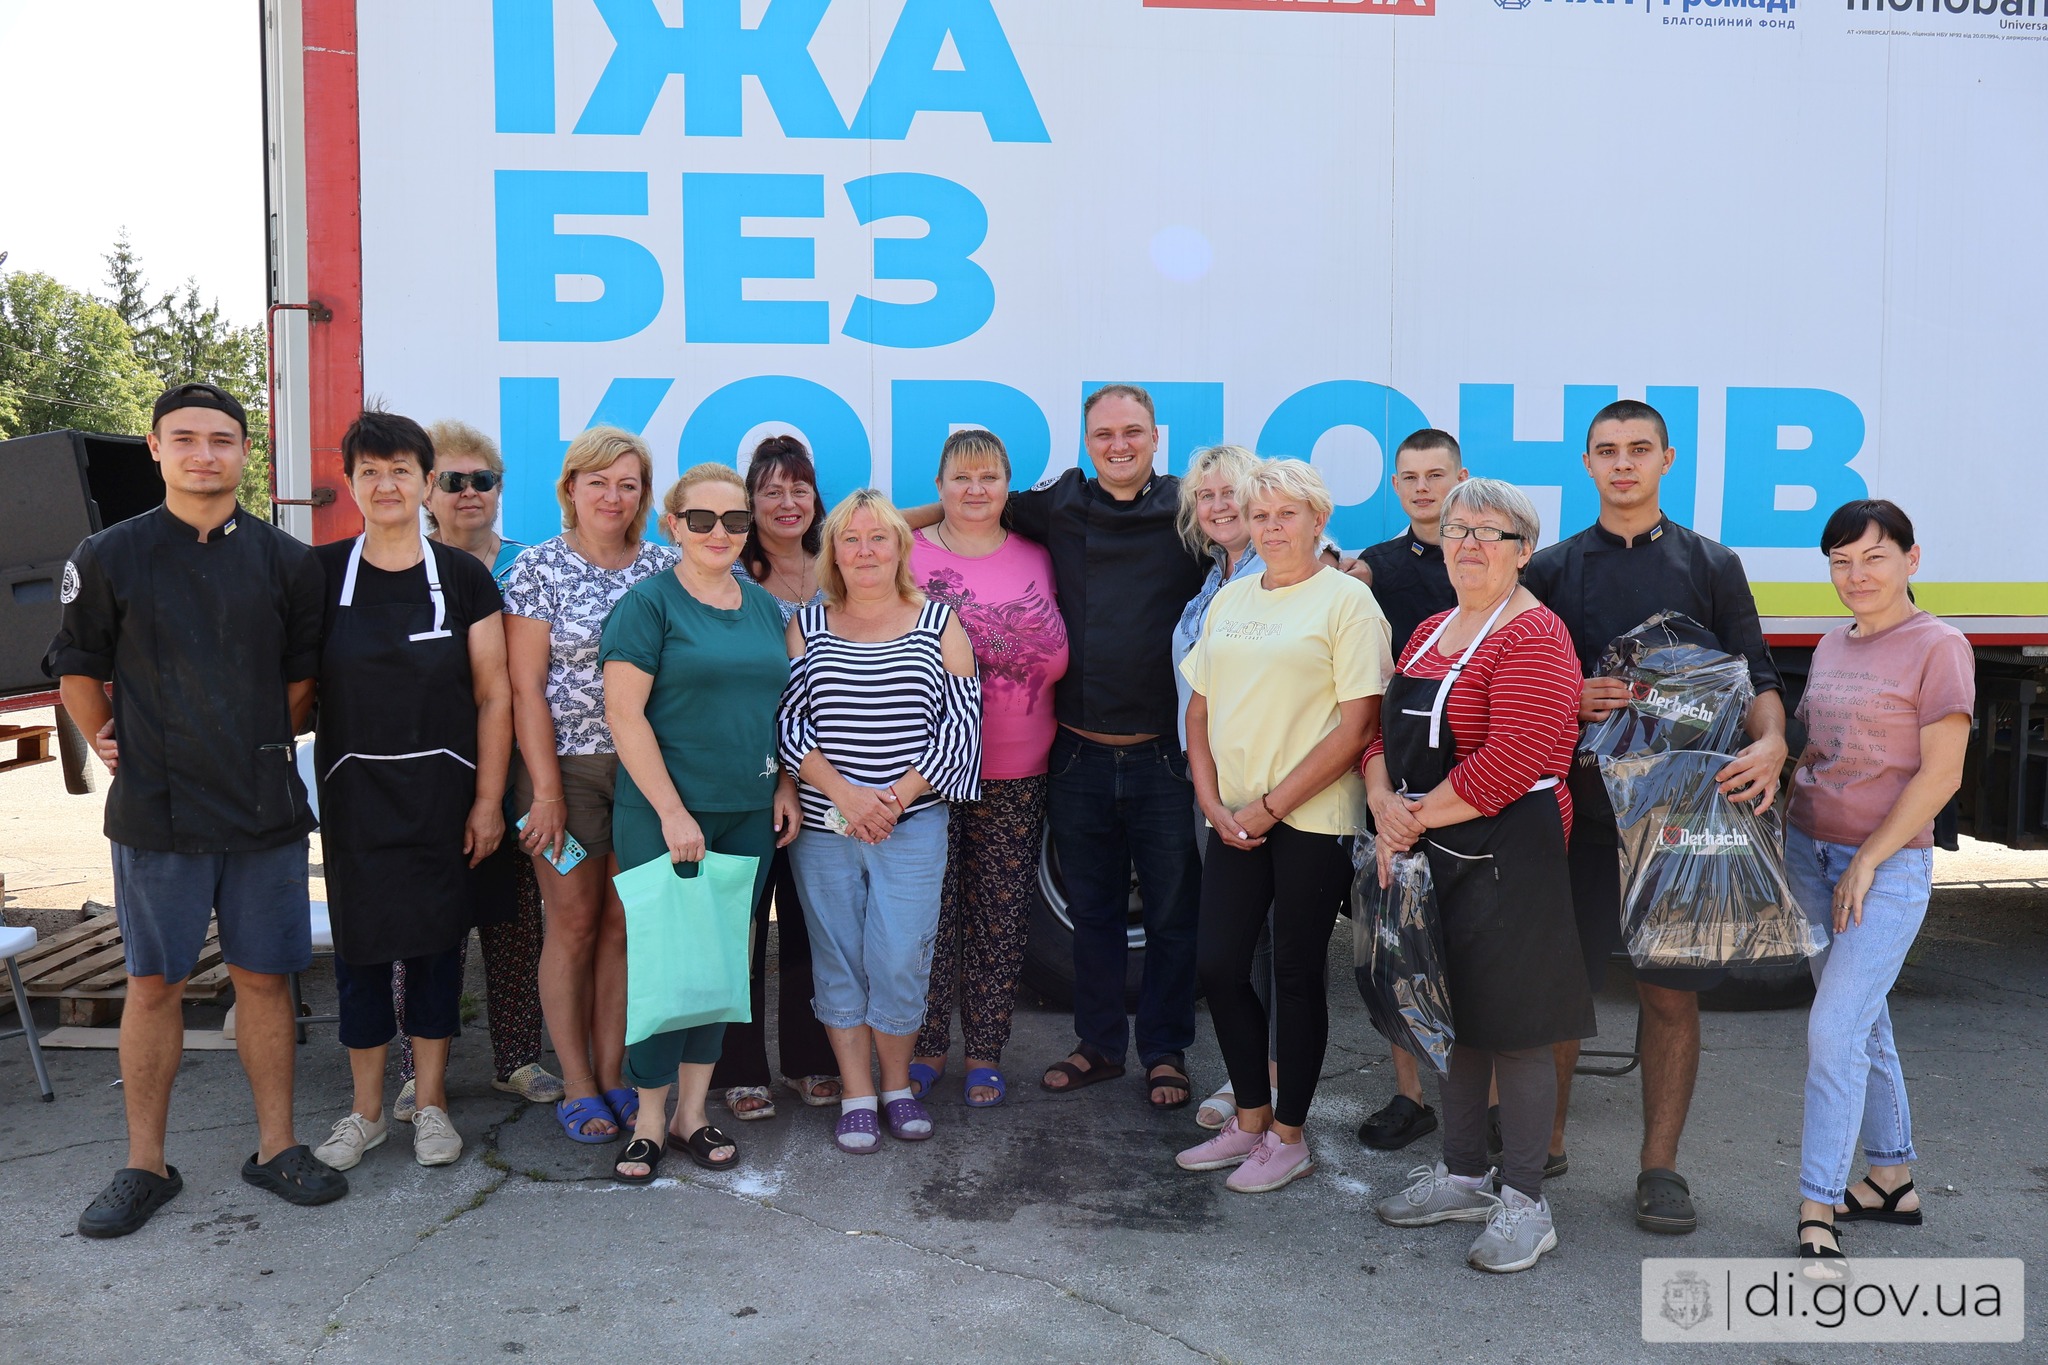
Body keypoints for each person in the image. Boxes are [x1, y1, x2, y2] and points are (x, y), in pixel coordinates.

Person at [51, 382, 346, 1236]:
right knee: (154, 984)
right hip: (156, 810)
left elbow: (302, 684)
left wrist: (249, 744)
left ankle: (277, 1146)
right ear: (155, 447)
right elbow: (76, 668)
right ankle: (144, 1164)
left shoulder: (288, 561)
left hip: (263, 807)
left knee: (264, 978)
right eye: (184, 438)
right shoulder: (108, 554)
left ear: (246, 451)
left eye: (221, 438)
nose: (203, 453)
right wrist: (106, 738)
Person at [1524, 399, 1788, 1234]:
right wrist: (1570, 696)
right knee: (1561, 991)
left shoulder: (1712, 563)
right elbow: (1518, 684)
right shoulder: (1553, 568)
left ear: (1667, 459)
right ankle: (1542, 1144)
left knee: (1670, 996)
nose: (1623, 463)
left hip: (1682, 819)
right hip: (1579, 812)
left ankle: (1660, 1167)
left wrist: (1773, 743)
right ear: (1587, 463)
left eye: (1639, 448)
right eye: (1607, 450)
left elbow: (1757, 675)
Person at [911, 385, 1208, 1109]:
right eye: (1104, 433)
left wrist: (1337, 562)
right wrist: (909, 518)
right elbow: (970, 506)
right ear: (1086, 441)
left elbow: (1253, 538)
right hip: (1075, 753)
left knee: (1171, 916)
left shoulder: (1189, 509)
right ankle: (1099, 1046)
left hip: (1163, 755)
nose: (1118, 445)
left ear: (1155, 438)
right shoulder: (1059, 504)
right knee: (1094, 913)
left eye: (1132, 432)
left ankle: (1164, 1052)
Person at [1366, 478, 1593, 1273]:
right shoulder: (1430, 629)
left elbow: (1514, 760)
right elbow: (1380, 736)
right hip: (1432, 844)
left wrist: (1410, 818)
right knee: (1454, 1016)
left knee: (1518, 1029)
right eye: (1456, 529)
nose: (1467, 544)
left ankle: (1527, 1203)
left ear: (1523, 550)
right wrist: (1382, 801)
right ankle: (1463, 1175)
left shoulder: (1536, 635)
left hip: (1508, 850)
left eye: (1488, 533)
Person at [1174, 460, 1389, 1193]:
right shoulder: (1232, 598)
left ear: (1317, 520)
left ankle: (1289, 1135)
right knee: (1219, 965)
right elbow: (1199, 708)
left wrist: (1269, 805)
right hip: (1235, 816)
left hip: (1312, 818)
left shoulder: (1348, 602)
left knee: (1296, 975)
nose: (1270, 527)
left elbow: (1358, 725)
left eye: (1285, 514)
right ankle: (1250, 1116)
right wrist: (1212, 799)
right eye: (1259, 515)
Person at [307, 411, 512, 1172]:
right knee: (359, 956)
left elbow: (494, 696)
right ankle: (365, 1113)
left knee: (435, 953)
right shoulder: (319, 574)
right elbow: (290, 689)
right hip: (354, 797)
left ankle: (430, 1106)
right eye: (370, 471)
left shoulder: (462, 578)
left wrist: (488, 800)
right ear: (350, 483)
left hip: (443, 798)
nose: (386, 484)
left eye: (401, 470)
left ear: (426, 483)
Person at [601, 464, 804, 1182]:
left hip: (748, 812)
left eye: (735, 519)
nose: (720, 532)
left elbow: (785, 710)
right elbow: (624, 715)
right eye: (702, 519)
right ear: (673, 526)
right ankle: (648, 1119)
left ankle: (692, 1112)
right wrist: (671, 811)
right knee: (666, 967)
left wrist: (783, 782)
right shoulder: (648, 605)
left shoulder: (765, 608)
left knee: (720, 966)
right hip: (665, 817)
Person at [1784, 500, 1971, 1277]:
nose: (1856, 575)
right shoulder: (1832, 643)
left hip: (1885, 869)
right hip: (1809, 854)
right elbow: (1815, 751)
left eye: (1874, 557)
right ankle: (1891, 1176)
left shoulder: (1940, 646)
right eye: (1841, 561)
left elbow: (1942, 774)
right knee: (1860, 1019)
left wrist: (1867, 858)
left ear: (1911, 559)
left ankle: (1818, 1204)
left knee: (1833, 1030)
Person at [777, 490, 982, 1153]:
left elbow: (962, 729)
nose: (865, 550)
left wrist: (890, 801)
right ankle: (857, 1092)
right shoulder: (807, 624)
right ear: (833, 553)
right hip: (825, 826)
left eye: (878, 538)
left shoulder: (939, 622)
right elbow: (788, 723)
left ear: (900, 547)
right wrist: (847, 797)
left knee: (899, 958)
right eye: (850, 539)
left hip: (911, 825)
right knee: (838, 957)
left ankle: (897, 1088)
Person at [501, 427, 678, 1143]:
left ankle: (615, 1075)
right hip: (563, 774)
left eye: (628, 484)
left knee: (623, 926)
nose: (613, 496)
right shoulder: (538, 567)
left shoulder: (665, 567)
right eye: (598, 481)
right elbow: (525, 689)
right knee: (572, 923)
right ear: (570, 487)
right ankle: (576, 1082)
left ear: (643, 495)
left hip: (645, 773)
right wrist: (545, 792)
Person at [381, 421, 560, 1126]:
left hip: (518, 773)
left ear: (499, 487)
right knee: (425, 929)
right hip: (431, 772)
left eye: (482, 479)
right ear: (429, 490)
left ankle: (516, 1058)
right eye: (452, 480)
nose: (468, 492)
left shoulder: (532, 567)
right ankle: (416, 1072)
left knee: (516, 920)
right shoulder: (402, 566)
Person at [906, 430, 1070, 1107]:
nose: (976, 489)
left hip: (1017, 771)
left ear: (1009, 487)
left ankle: (984, 1052)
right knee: (928, 915)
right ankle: (923, 1047)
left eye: (990, 477)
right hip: (924, 772)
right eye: (961, 477)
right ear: (938, 486)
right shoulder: (904, 551)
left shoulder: (1041, 554)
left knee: (1000, 917)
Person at [713, 435, 840, 1120]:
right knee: (741, 925)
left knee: (809, 921)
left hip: (830, 777)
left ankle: (809, 1059)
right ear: (749, 502)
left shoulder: (841, 562)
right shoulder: (732, 574)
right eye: (771, 490)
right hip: (750, 773)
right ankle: (738, 1069)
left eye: (799, 488)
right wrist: (777, 775)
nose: (787, 502)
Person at [1348, 429, 1465, 1151]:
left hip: (1475, 779)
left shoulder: (1490, 556)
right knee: (1397, 942)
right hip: (1396, 774)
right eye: (1410, 477)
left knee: (1470, 947)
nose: (1423, 488)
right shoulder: (1374, 567)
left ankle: (1483, 1102)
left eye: (1436, 475)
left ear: (1461, 477)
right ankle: (1409, 1095)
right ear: (1395, 485)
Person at [1166, 444, 1275, 1129]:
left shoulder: (1280, 571)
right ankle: (1251, 1077)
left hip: (1258, 780)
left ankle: (1264, 1082)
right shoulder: (1219, 573)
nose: (1217, 506)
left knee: (1263, 940)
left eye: (1229, 492)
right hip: (1212, 777)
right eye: (1205, 496)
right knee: (1243, 940)